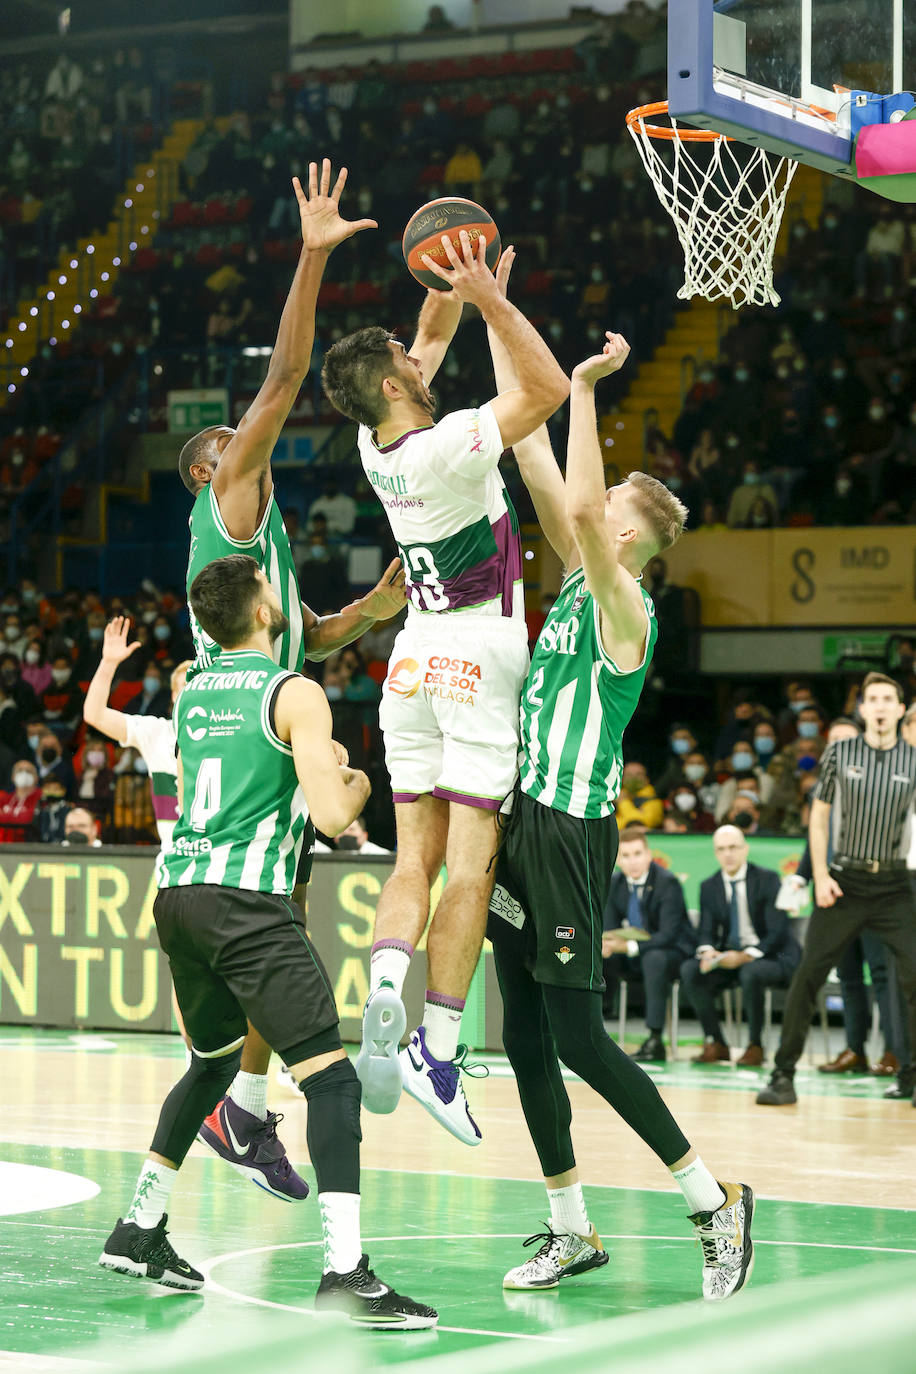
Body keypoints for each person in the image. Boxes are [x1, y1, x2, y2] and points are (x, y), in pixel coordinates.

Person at [483, 311, 752, 1302]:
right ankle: (569, 1230)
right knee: (519, 1038)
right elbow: (529, 457)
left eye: (613, 508)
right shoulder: (582, 571)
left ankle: (710, 1199)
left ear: (631, 528)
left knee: (581, 1038)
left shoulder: (626, 607)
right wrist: (489, 313)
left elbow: (583, 509)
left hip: (567, 832)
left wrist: (589, 391)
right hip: (520, 822)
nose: (599, 511)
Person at [99, 555, 436, 1330]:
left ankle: (139, 1226)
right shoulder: (295, 692)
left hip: (179, 897)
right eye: (269, 585)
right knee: (334, 1082)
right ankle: (346, 1272)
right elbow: (327, 815)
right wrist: (354, 779)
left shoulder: (196, 691)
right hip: (247, 903)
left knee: (213, 1063)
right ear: (261, 611)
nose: (280, 593)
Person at [175, 159, 406, 1169]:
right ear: (208, 466)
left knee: (287, 921)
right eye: (228, 440)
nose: (247, 436)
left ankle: (235, 1105)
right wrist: (310, 262)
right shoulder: (227, 500)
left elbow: (313, 634)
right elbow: (280, 381)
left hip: (245, 710)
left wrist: (379, 607)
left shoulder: (258, 553)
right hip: (248, 726)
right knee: (277, 930)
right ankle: (245, 1098)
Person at [321, 230, 569, 1141]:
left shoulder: (373, 444)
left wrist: (448, 276)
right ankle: (435, 1044)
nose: (416, 360)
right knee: (472, 864)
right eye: (403, 362)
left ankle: (386, 982)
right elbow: (540, 394)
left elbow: (425, 336)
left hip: (412, 664)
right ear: (393, 386)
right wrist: (497, 300)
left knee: (410, 862)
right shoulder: (455, 444)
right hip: (478, 653)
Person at [757, 673, 916, 1106]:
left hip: (897, 884)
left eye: (888, 699)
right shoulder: (840, 753)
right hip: (844, 881)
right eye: (873, 699)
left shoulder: (914, 759)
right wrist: (823, 876)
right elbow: (820, 818)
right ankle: (782, 1075)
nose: (881, 706)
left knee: (912, 977)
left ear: (901, 709)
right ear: (863, 709)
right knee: (809, 974)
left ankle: (911, 1077)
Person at [679, 825, 802, 1067]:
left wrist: (746, 956)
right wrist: (708, 952)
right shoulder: (709, 885)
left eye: (733, 847)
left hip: (773, 956)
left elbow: (777, 930)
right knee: (690, 970)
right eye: (721, 849)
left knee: (750, 972)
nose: (728, 854)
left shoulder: (767, 879)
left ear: (745, 849)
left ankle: (755, 1046)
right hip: (732, 957)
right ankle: (716, 1042)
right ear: (715, 853)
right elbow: (705, 931)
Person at [83, 617, 190, 849]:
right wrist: (109, 662)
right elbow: (94, 714)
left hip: (221, 862)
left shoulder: (228, 729)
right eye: (183, 686)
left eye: (196, 684)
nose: (189, 692)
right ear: (172, 695)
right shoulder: (157, 732)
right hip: (174, 863)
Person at [602, 826, 695, 1061]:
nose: (632, 861)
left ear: (649, 855)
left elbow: (668, 934)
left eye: (637, 854)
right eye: (625, 856)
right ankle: (587, 1030)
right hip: (633, 953)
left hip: (672, 954)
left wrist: (628, 947)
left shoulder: (667, 883)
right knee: (592, 953)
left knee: (654, 958)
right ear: (618, 859)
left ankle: (655, 1039)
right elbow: (609, 927)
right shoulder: (615, 884)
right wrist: (607, 943)